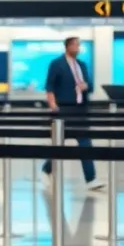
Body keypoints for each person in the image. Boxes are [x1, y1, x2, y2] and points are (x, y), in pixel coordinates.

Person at [42, 37, 105, 191]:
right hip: (64, 108)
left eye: (79, 45)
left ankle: (91, 179)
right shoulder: (57, 64)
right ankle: (46, 169)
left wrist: (86, 86)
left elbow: (89, 86)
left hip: (81, 109)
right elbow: (49, 86)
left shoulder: (82, 65)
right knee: (59, 143)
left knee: (85, 142)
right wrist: (53, 105)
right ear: (68, 46)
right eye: (76, 45)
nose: (78, 48)